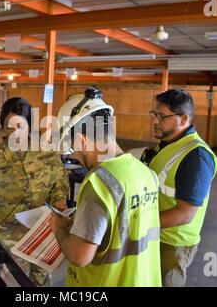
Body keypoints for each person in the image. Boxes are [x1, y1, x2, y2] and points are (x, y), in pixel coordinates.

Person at [50, 86, 162, 287]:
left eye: (72, 147)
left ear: (82, 139)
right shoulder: (146, 172)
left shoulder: (99, 181)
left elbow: (80, 256)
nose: (73, 154)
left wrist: (59, 230)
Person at [0, 97, 69, 286]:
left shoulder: (47, 153)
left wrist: (59, 200)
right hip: (9, 243)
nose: (15, 133)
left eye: (20, 126)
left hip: (42, 236)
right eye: (10, 127)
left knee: (41, 284)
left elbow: (59, 183)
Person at [143, 88, 217, 287]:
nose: (155, 121)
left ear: (183, 119)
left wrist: (138, 224)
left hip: (173, 243)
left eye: (162, 116)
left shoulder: (196, 156)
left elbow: (185, 214)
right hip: (156, 233)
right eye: (154, 114)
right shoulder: (167, 144)